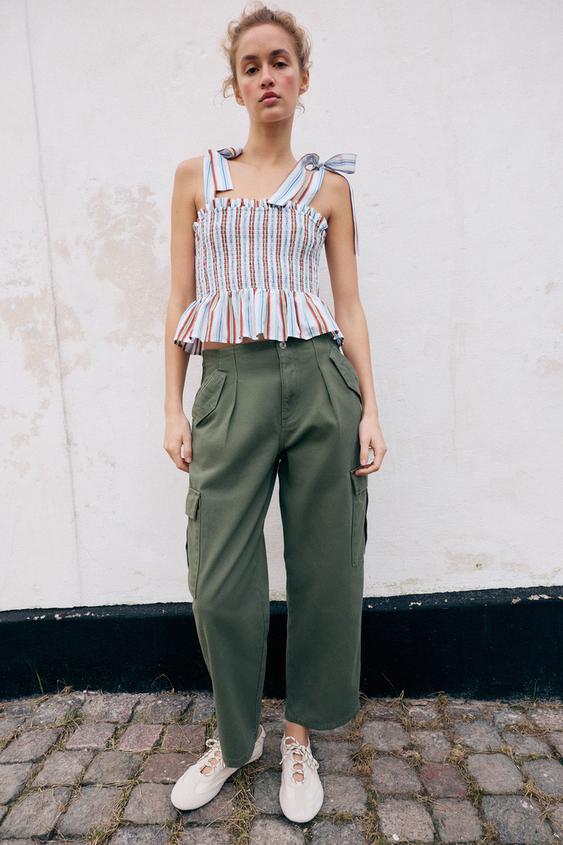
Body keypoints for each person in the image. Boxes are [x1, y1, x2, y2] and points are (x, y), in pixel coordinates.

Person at [163, 2, 387, 824]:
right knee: (219, 575)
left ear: (302, 77)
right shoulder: (196, 178)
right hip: (229, 384)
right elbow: (179, 299)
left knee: (326, 564)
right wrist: (172, 405)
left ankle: (297, 733)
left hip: (320, 379)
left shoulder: (329, 188)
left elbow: (348, 305)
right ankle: (235, 737)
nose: (266, 77)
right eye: (251, 65)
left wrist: (370, 407)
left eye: (279, 62)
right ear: (235, 84)